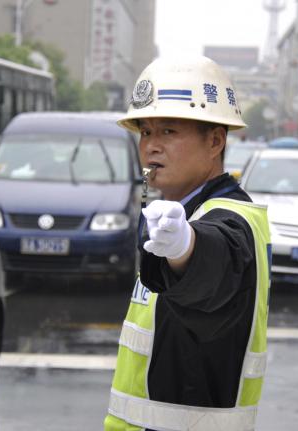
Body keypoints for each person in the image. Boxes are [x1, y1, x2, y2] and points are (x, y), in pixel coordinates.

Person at [104, 56, 271, 431]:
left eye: (168, 131)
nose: (151, 146)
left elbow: (216, 259)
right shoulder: (182, 209)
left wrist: (183, 248)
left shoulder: (229, 218)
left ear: (215, 141)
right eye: (145, 132)